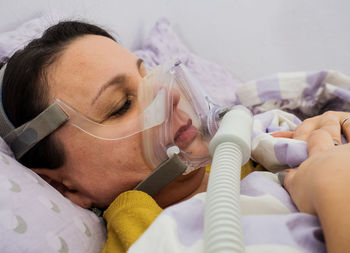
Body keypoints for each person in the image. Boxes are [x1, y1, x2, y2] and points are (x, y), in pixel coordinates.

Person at [1, 20, 350, 253]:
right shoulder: (138, 226)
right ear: (65, 188)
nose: (167, 94)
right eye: (122, 104)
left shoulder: (253, 142)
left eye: (149, 76)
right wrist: (331, 180)